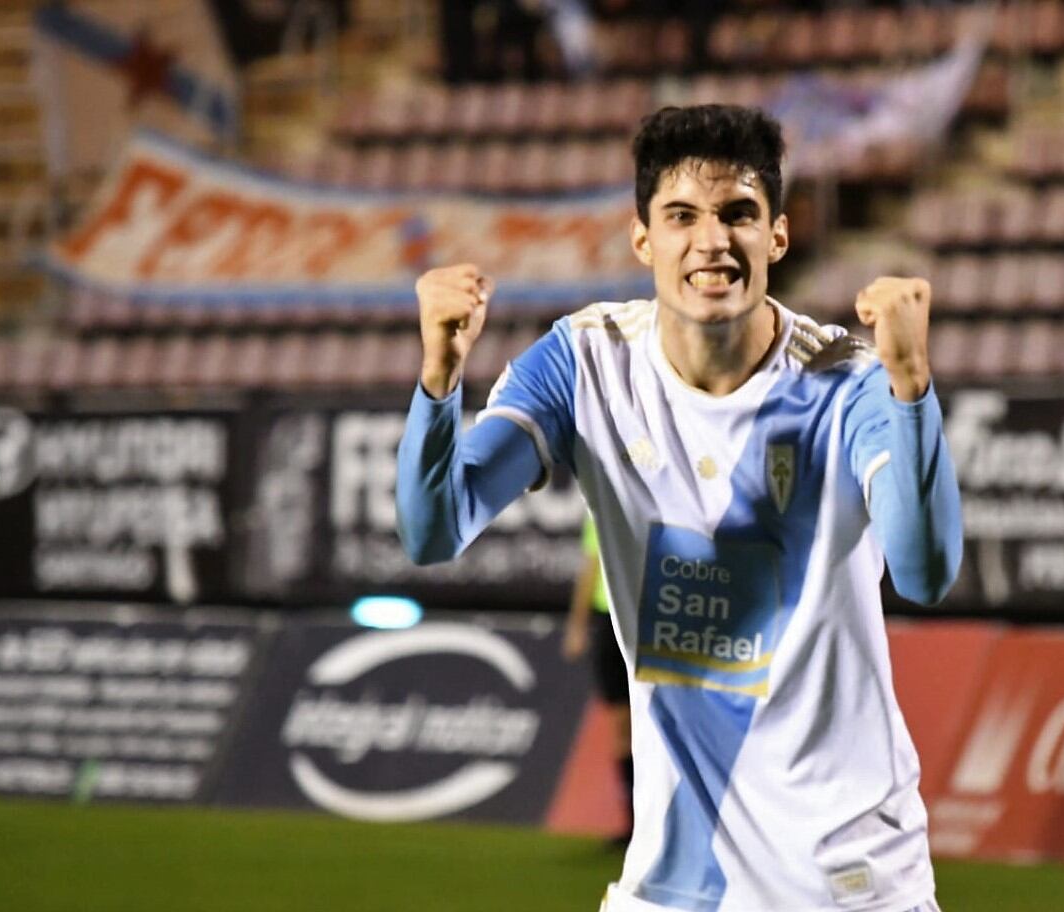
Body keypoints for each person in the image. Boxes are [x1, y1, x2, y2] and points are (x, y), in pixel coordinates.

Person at [397, 104, 962, 912]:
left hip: (848, 883)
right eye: (681, 217)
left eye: (738, 214)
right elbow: (432, 529)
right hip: (674, 888)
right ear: (642, 240)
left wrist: (912, 392)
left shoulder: (847, 380)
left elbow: (924, 570)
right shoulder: (582, 365)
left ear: (777, 237)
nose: (711, 241)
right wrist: (439, 379)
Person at [564, 512, 634, 845]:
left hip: (644, 615)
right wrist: (577, 625)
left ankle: (658, 826)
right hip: (609, 620)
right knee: (622, 726)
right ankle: (631, 823)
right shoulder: (598, 504)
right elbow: (591, 565)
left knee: (651, 728)